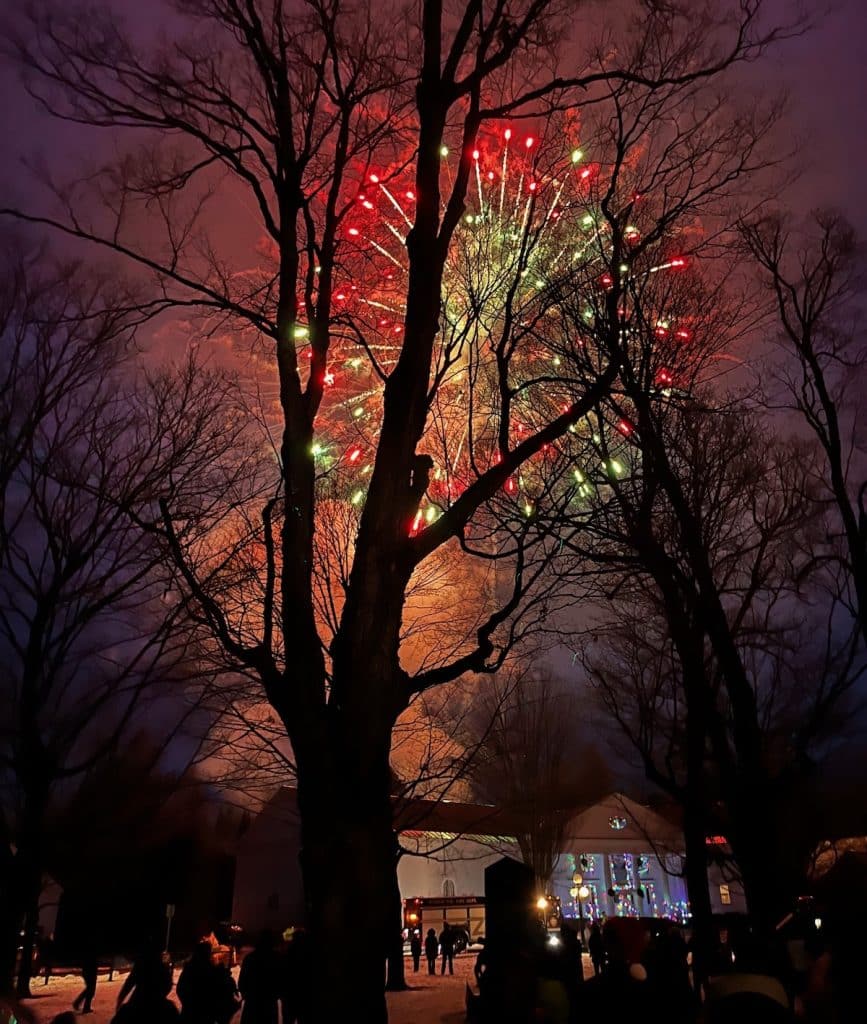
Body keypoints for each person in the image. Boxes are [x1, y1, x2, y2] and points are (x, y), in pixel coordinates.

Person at [115, 944, 175, 1022]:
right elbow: (168, 984)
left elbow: (130, 982)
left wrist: (120, 998)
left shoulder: (128, 1012)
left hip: (138, 1001)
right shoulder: (169, 1012)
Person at [238, 931, 280, 1024]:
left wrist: (246, 995)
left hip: (252, 1003)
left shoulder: (250, 958)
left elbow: (242, 981)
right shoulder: (276, 958)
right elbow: (281, 980)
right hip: (269, 1003)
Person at [177, 942, 222, 1024]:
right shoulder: (210, 970)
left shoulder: (190, 969)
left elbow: (180, 989)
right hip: (203, 1014)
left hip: (192, 1013)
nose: (211, 955)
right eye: (209, 952)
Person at [73, 943, 98, 1014]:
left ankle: (82, 1004)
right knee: (91, 988)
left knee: (90, 988)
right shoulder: (90, 951)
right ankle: (82, 1004)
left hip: (88, 970)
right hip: (90, 970)